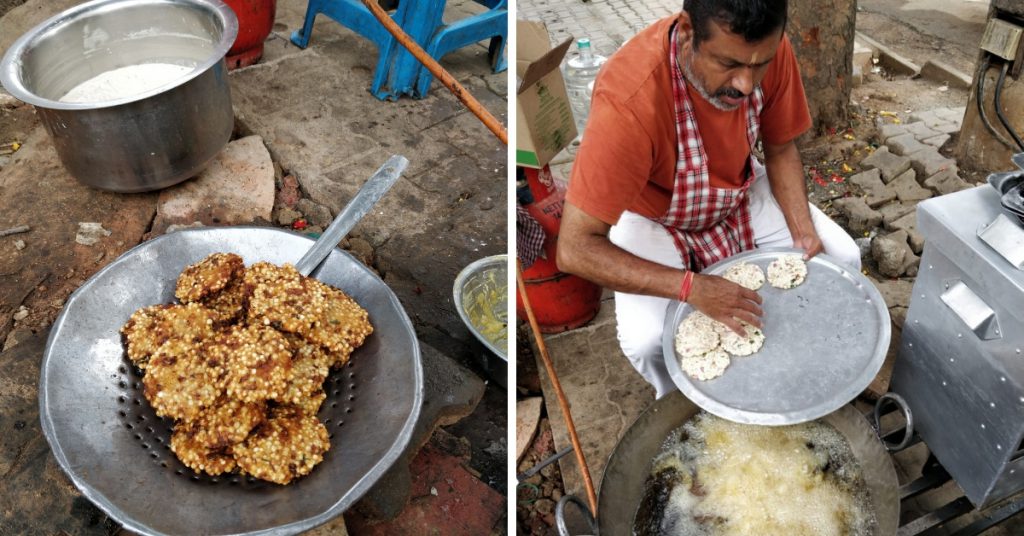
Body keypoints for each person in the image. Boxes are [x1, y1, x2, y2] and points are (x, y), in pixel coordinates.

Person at [556, 0, 861, 398]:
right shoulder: (629, 100)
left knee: (842, 258)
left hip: (739, 193)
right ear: (686, 31)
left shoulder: (765, 47)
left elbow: (781, 148)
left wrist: (803, 234)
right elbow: (575, 248)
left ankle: (801, 368)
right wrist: (691, 287)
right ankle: (686, 405)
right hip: (657, 215)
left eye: (759, 65)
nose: (746, 84)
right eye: (728, 64)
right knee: (650, 340)